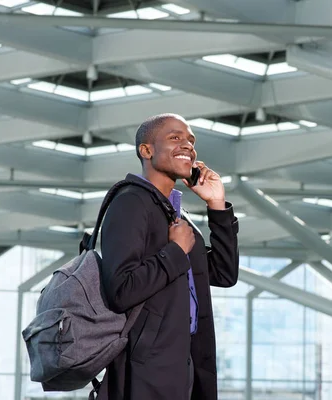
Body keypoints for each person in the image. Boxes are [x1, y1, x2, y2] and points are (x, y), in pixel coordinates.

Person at [99, 113, 240, 400]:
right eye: (175, 138)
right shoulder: (130, 203)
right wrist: (175, 251)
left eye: (191, 140)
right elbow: (120, 290)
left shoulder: (179, 218)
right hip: (145, 373)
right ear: (146, 150)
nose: (188, 145)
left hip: (186, 365)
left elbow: (224, 274)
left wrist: (217, 205)